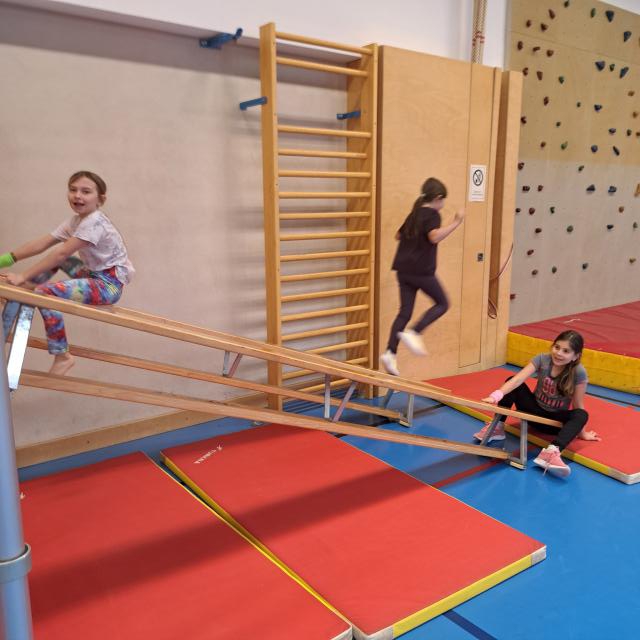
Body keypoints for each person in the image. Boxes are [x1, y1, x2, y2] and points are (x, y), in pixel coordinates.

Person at [0, 171, 134, 376]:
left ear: (101, 199)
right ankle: (24, 288)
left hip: (108, 286)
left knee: (44, 293)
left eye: (86, 191)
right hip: (93, 275)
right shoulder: (75, 221)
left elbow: (61, 253)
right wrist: (5, 260)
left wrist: (23, 275)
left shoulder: (95, 223)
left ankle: (62, 355)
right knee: (60, 262)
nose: (77, 195)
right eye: (73, 190)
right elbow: (42, 243)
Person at [475, 330, 601, 477]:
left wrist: (582, 433)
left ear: (575, 356)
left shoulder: (579, 372)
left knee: (581, 414)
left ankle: (551, 452)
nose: (559, 353)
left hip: (553, 423)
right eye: (557, 347)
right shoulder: (543, 359)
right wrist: (495, 396)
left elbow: (578, 404)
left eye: (566, 351)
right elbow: (517, 379)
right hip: (532, 411)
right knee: (512, 381)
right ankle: (497, 427)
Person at [380, 177, 464, 376]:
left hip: (403, 271)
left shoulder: (414, 213)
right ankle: (415, 332)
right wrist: (456, 222)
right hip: (421, 271)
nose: (443, 204)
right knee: (442, 303)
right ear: (437, 198)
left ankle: (390, 353)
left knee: (404, 313)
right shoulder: (432, 214)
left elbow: (398, 235)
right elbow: (433, 237)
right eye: (443, 200)